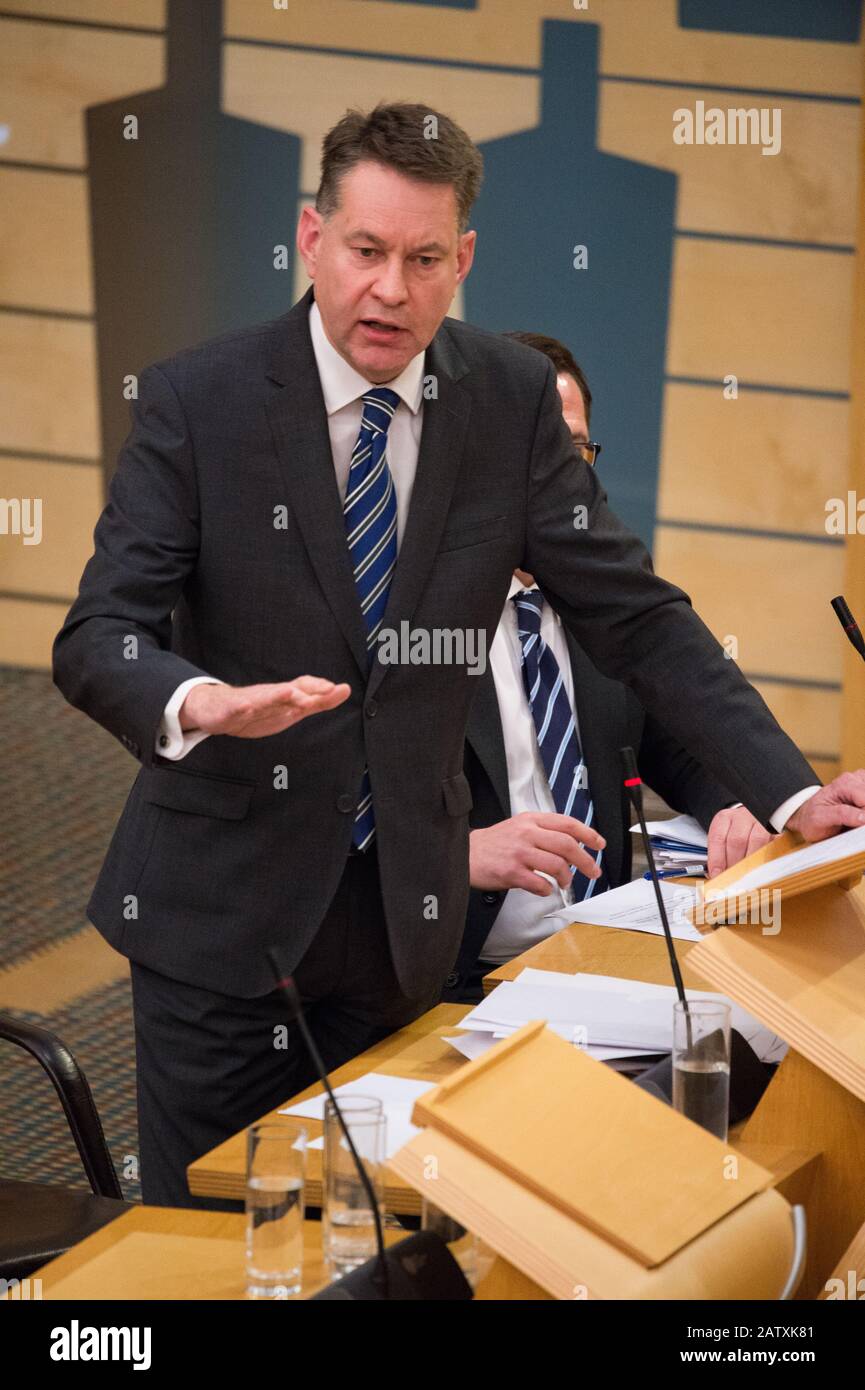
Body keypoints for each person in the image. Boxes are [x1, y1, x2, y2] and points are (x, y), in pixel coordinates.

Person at [53, 102, 865, 1207]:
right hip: (222, 921)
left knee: (391, 1236)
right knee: (214, 1239)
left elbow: (638, 616)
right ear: (312, 237)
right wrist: (200, 700)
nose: (390, 288)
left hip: (407, 921)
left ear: (462, 259)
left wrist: (787, 795)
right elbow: (100, 635)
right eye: (367, 251)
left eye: (424, 258)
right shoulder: (201, 401)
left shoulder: (509, 401)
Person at [445, 333, 770, 1003]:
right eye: (541, 448)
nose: (567, 474)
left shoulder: (607, 593)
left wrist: (737, 802)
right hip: (449, 984)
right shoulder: (412, 608)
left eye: (577, 449)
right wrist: (458, 856)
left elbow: (674, 743)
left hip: (599, 967)